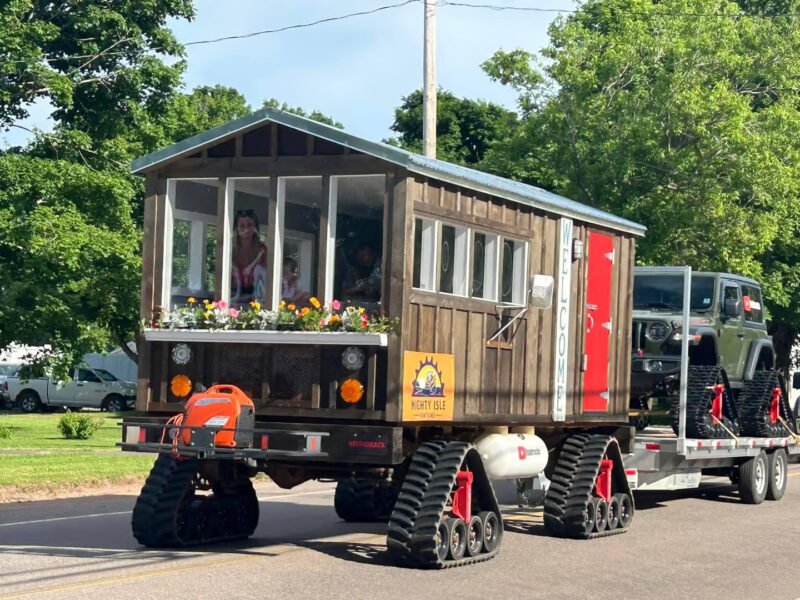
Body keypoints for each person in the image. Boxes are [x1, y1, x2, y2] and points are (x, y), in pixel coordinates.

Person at [231, 209, 268, 306]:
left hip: (257, 301)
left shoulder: (263, 251)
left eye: (250, 225)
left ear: (255, 228)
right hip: (232, 299)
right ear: (236, 229)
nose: (246, 229)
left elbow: (268, 280)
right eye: (242, 225)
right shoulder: (230, 250)